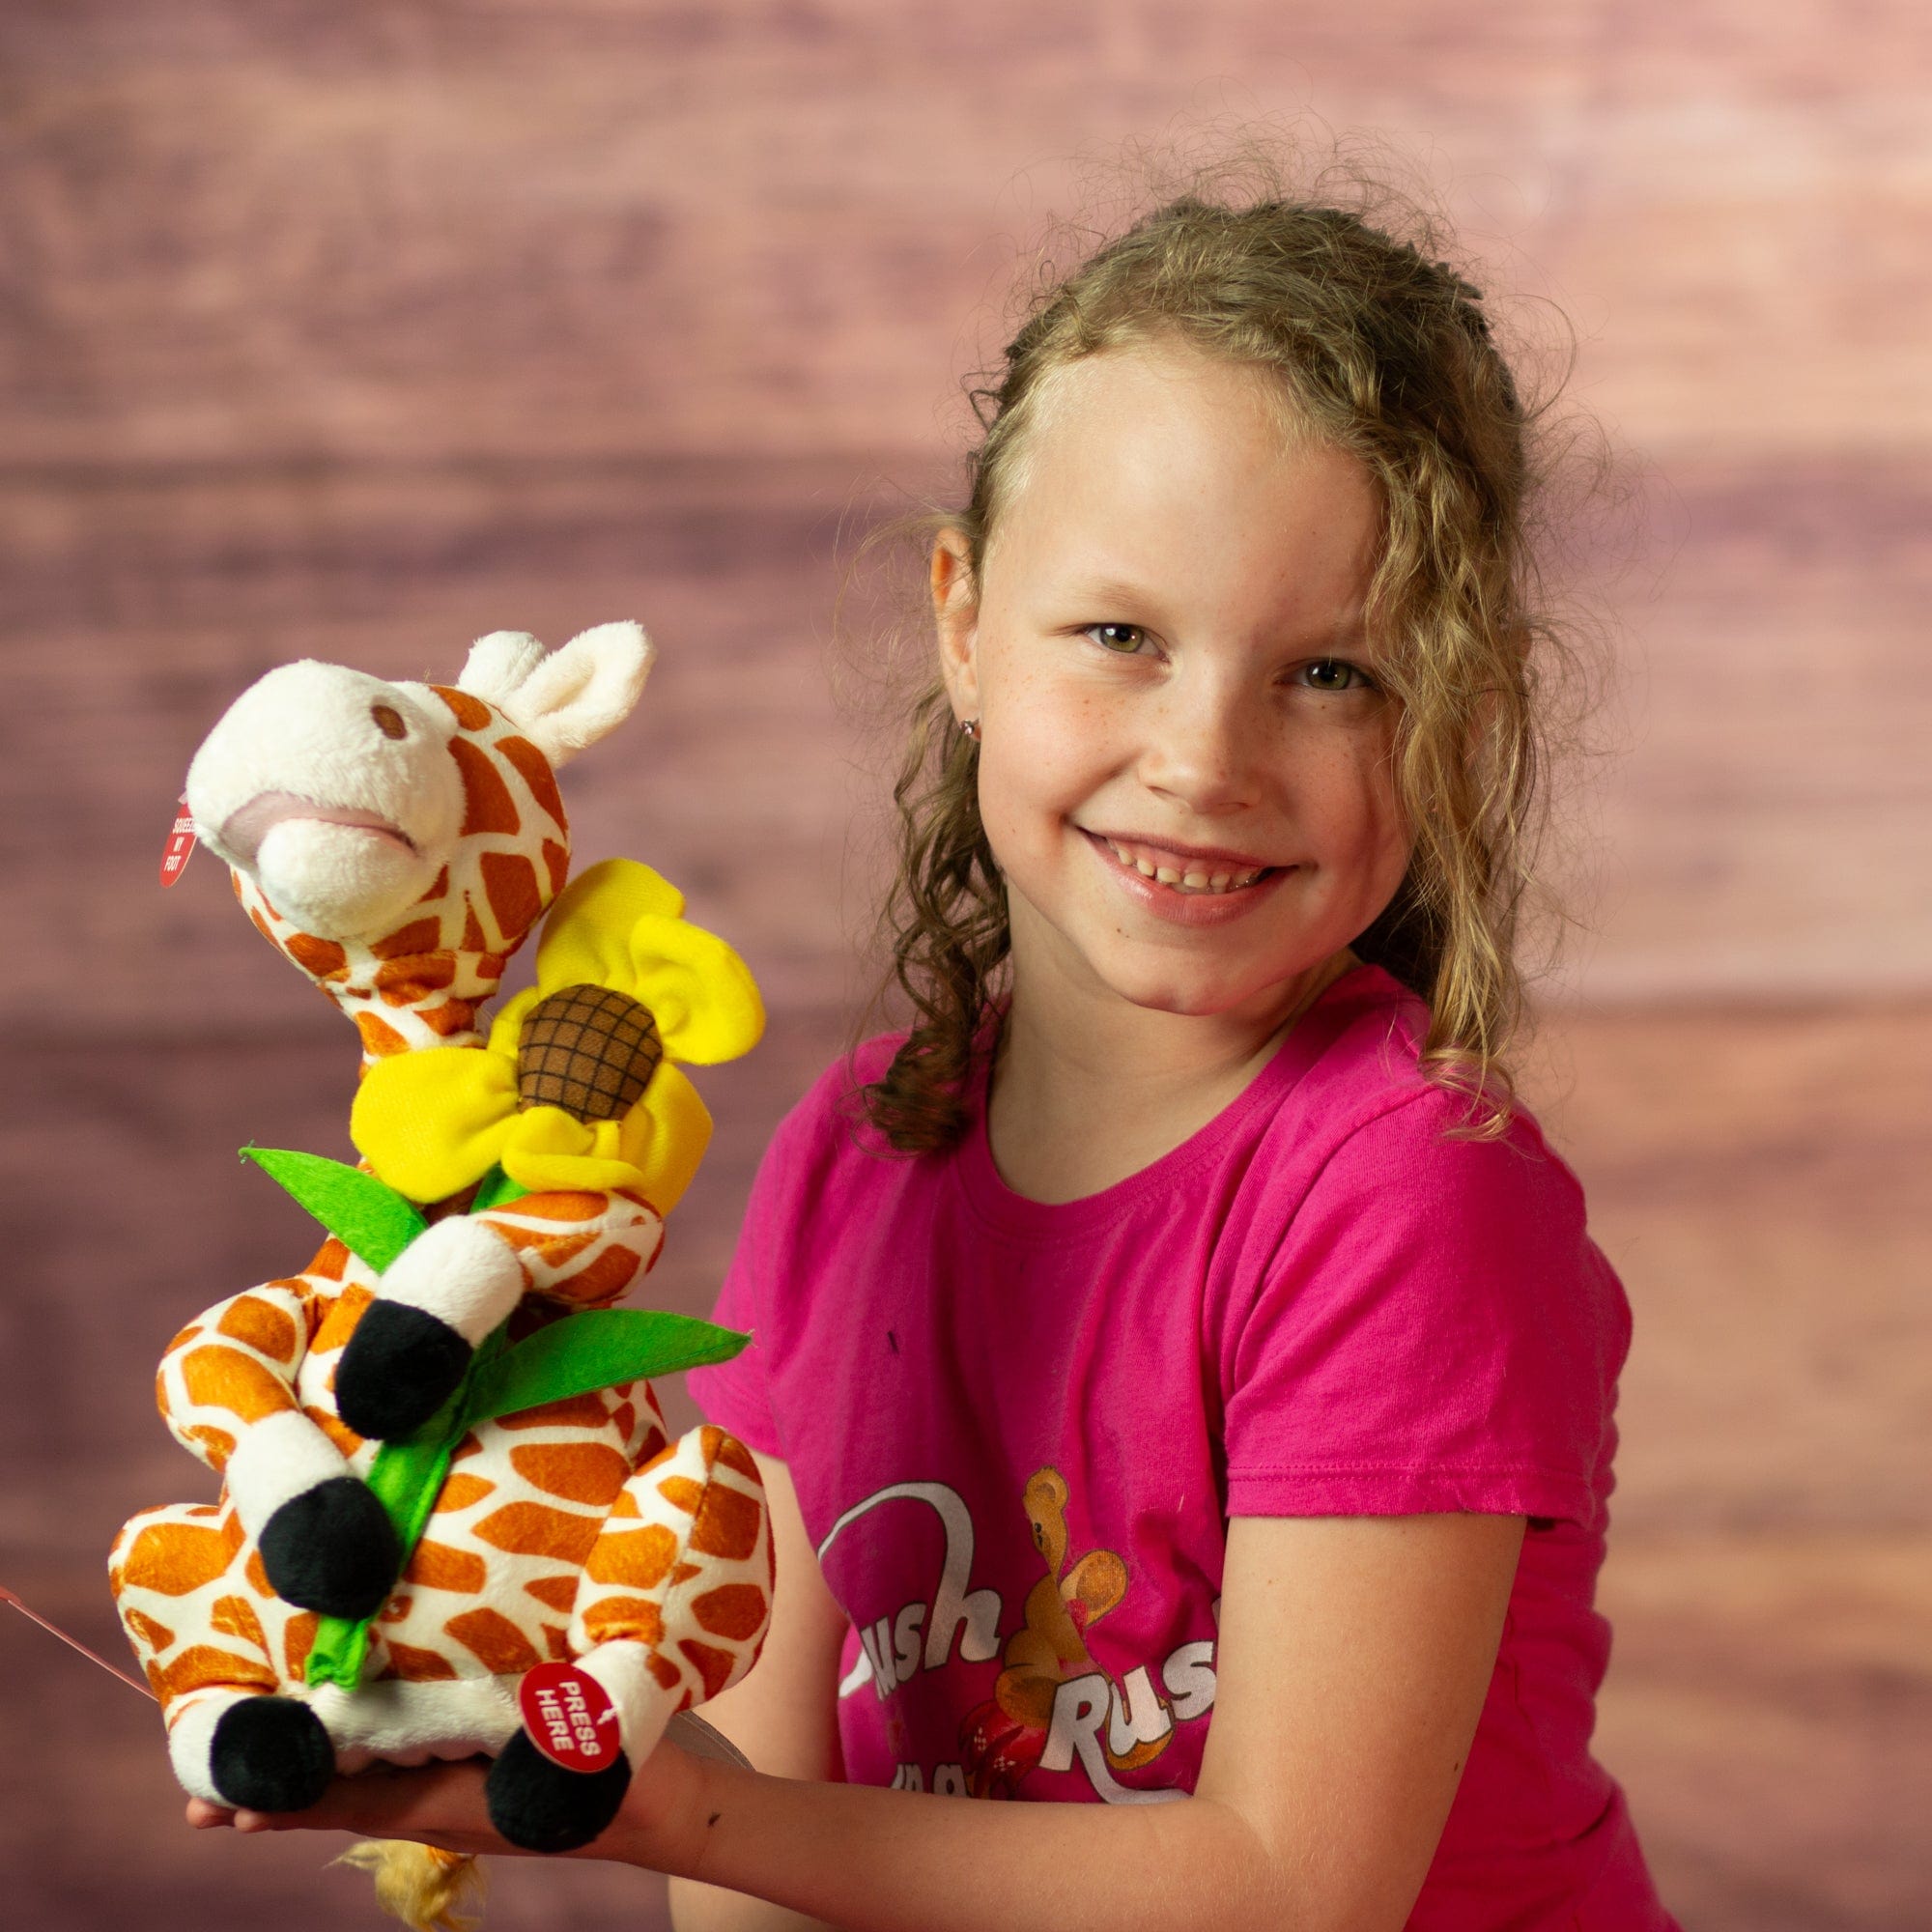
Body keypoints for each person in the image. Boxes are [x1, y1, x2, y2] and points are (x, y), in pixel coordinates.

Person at [191, 175, 1682, 1931]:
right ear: (965, 622)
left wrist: (679, 1820)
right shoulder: (858, 1152)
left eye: (1335, 674)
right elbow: (746, 1830)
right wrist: (537, 1737)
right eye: (1121, 637)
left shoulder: (1406, 1196)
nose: (1206, 756)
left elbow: (1288, 1888)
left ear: (1465, 716)